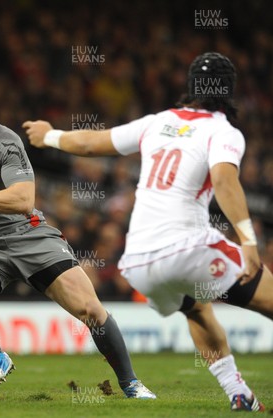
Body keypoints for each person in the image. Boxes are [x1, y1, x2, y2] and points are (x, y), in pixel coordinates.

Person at [23, 52, 271, 412]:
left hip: (139, 263)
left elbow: (92, 144)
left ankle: (239, 393)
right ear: (229, 90)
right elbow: (224, 180)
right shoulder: (224, 131)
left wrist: (50, 136)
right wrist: (248, 240)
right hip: (187, 249)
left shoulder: (158, 122)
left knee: (197, 310)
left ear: (190, 87)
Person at [0, 73, 156, 398]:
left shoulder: (3, 140)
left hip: (30, 237)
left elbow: (24, 201)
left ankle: (130, 383)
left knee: (91, 311)